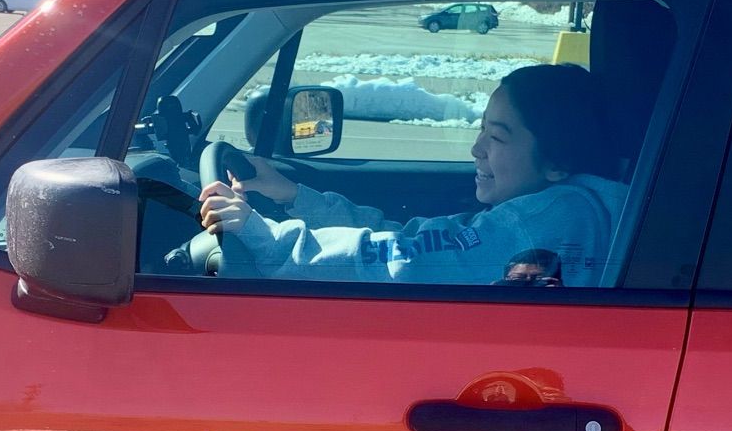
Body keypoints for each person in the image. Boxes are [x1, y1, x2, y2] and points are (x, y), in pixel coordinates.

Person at [198, 62, 625, 286]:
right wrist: (295, 197)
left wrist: (267, 240)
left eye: (496, 137)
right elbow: (414, 240)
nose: (476, 149)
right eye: (480, 130)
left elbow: (405, 261)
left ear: (557, 161)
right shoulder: (572, 206)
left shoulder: (539, 224)